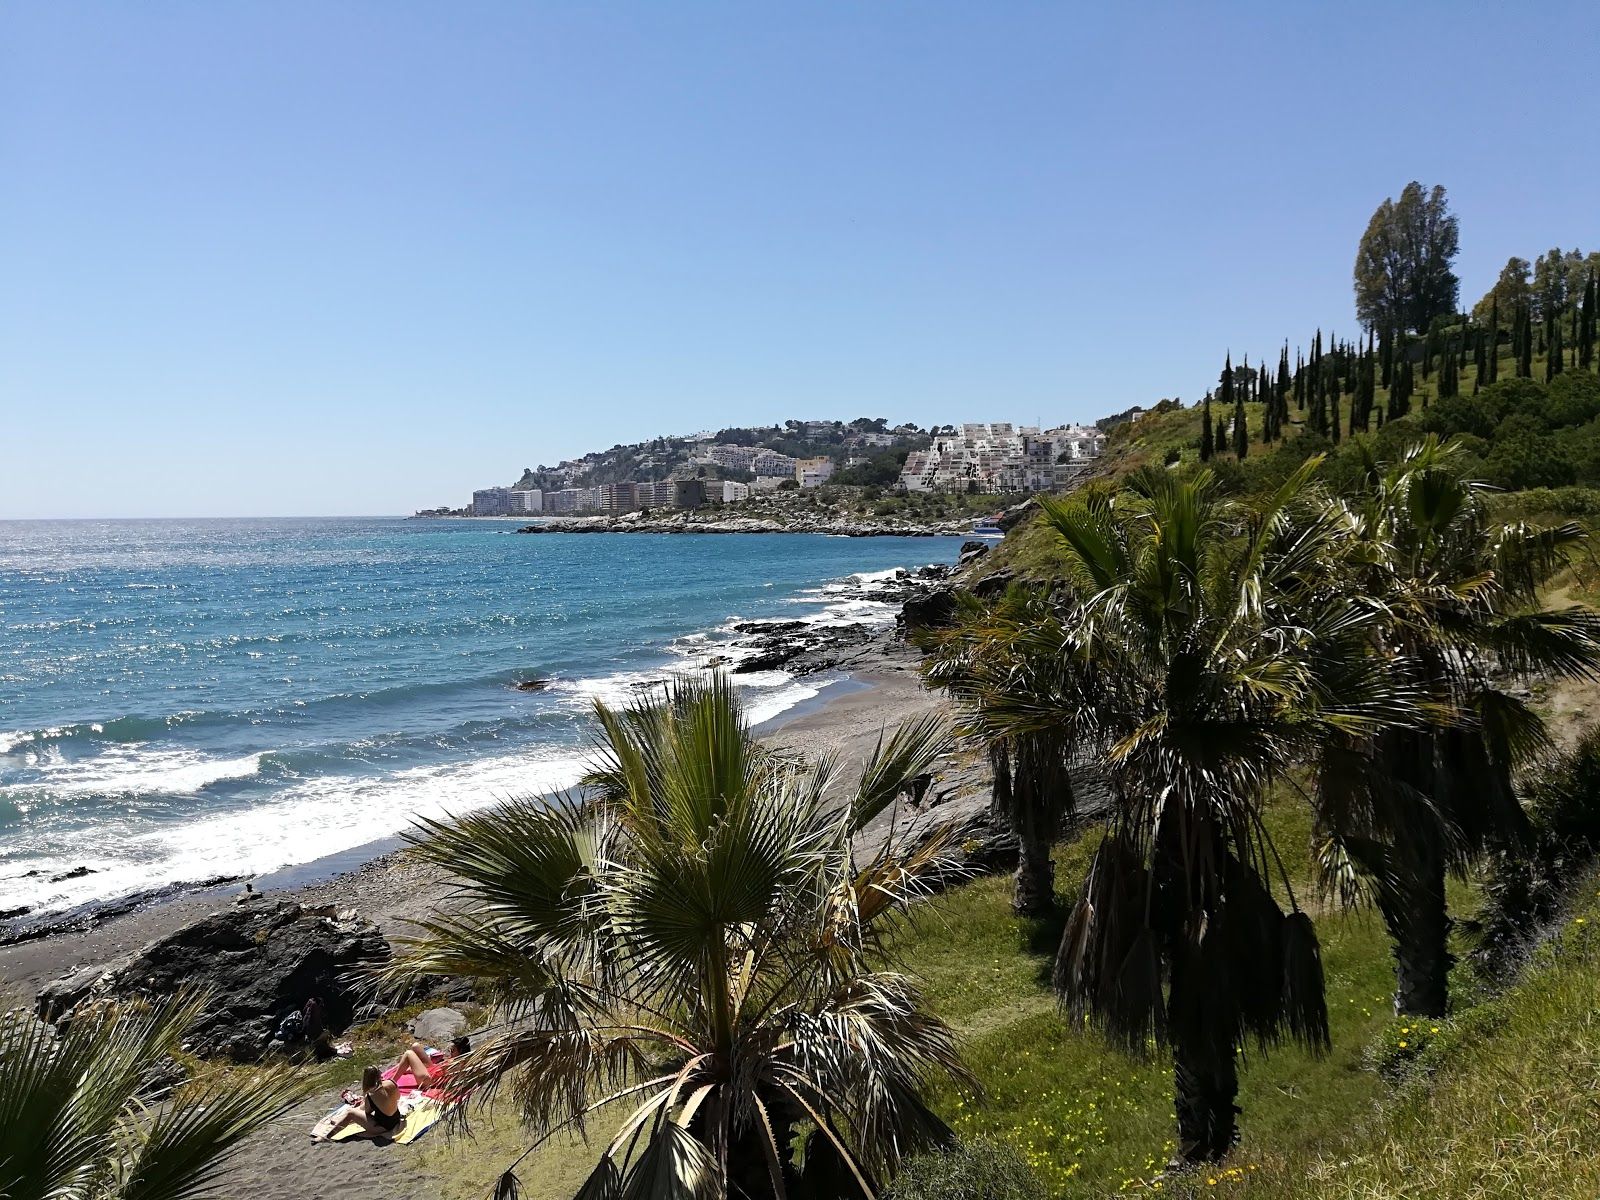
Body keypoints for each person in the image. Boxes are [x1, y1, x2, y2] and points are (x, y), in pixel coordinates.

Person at [311, 1065, 402, 1141]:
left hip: (382, 1127)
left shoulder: (371, 1094)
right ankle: (339, 1123)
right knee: (353, 1112)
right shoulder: (391, 1083)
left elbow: (366, 1111)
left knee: (350, 1113)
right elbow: (398, 1097)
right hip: (396, 1119)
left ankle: (326, 1136)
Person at [394, 1034, 470, 1087]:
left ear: (460, 1051)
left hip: (428, 1080)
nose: (451, 1052)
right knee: (416, 1046)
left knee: (409, 1054)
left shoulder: (460, 1063)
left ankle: (392, 1082)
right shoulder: (454, 1059)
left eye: (453, 1050)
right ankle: (414, 1067)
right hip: (432, 1070)